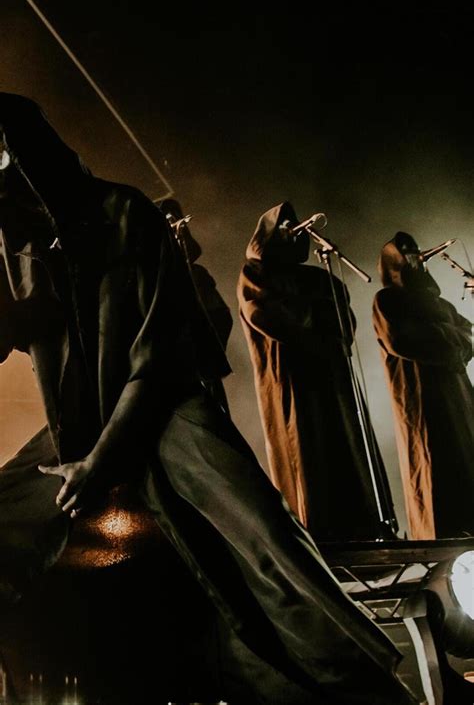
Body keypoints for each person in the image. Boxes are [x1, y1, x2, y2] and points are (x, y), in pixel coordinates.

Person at [0, 93, 419, 705]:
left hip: (166, 408)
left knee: (261, 538)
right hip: (81, 425)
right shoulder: (19, 249)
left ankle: (365, 689)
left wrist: (104, 460)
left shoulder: (124, 212)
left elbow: (157, 359)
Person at [237, 201, 397, 542]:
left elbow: (343, 319)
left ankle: (364, 525)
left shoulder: (319, 276)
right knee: (307, 449)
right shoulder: (255, 273)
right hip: (292, 376)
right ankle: (318, 532)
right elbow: (265, 314)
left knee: (347, 443)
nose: (293, 230)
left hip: (330, 372)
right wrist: (315, 317)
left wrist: (318, 319)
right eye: (284, 225)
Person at [372, 230, 474, 540]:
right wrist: (447, 336)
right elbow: (402, 340)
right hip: (420, 396)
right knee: (433, 460)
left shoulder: (441, 304)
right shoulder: (387, 300)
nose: (416, 257)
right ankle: (441, 537)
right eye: (407, 252)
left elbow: (468, 338)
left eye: (416, 251)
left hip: (457, 392)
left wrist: (445, 335)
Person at [159, 197, 233, 413]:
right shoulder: (157, 279)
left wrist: (208, 350)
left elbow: (221, 315)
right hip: (177, 375)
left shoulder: (198, 274)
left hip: (205, 369)